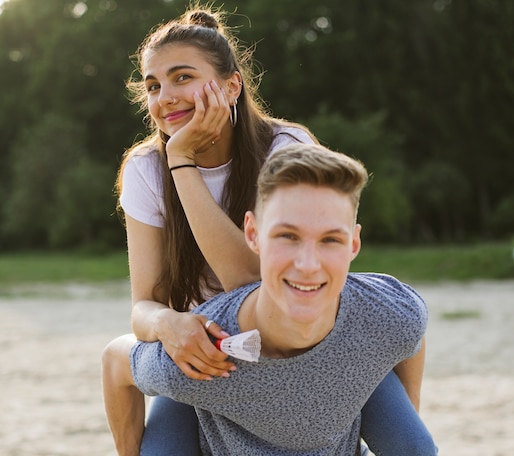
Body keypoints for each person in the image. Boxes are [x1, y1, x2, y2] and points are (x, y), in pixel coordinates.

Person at [102, 4, 434, 455]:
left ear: (231, 85)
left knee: (415, 449)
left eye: (183, 77)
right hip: (212, 353)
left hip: (312, 337)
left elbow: (254, 282)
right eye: (154, 85)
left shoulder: (285, 148)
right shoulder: (146, 168)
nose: (165, 97)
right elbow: (143, 303)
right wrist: (169, 324)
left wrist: (183, 163)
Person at [113, 142, 437, 455]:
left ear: (354, 244)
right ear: (252, 234)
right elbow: (115, 360)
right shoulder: (203, 354)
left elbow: (409, 329)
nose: (308, 265)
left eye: (330, 239)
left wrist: (402, 424)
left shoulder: (390, 312)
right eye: (288, 236)